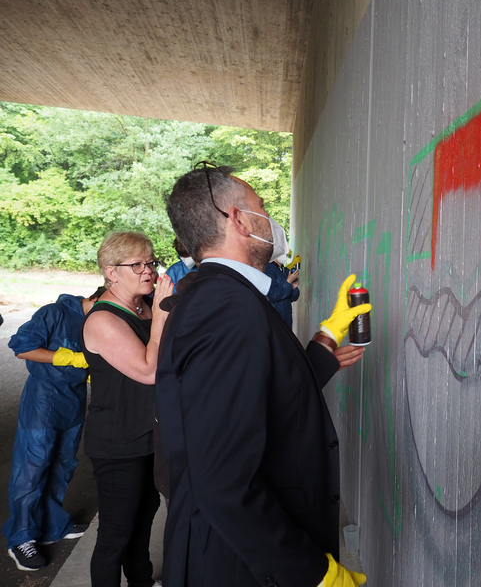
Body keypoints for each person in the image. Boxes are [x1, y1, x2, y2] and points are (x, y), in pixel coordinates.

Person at [156, 163, 369, 587]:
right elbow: (222, 482)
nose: (269, 219)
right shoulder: (226, 309)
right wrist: (315, 573)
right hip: (241, 566)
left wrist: (327, 336)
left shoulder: (217, 296)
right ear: (236, 219)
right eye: (261, 206)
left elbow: (255, 395)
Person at [81, 231, 173, 587]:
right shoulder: (104, 320)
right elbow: (149, 370)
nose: (148, 271)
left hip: (148, 433)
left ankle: (142, 581)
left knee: (143, 523)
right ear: (111, 272)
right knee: (115, 537)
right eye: (137, 265)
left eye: (151, 262)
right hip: (119, 442)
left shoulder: (143, 307)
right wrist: (164, 315)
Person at [3, 287, 105, 571]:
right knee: (32, 468)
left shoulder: (96, 321)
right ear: (98, 298)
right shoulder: (54, 312)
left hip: (72, 401)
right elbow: (21, 346)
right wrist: (67, 358)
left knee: (63, 465)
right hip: (43, 399)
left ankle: (52, 526)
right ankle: (20, 537)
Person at [265, 258, 299, 328]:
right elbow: (272, 295)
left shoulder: (285, 271)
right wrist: (288, 282)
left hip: (287, 318)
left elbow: (293, 298)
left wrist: (294, 288)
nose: (285, 256)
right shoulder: (268, 270)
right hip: (274, 317)